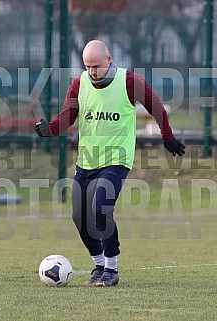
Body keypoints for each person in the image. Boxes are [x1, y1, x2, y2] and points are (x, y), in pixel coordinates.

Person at [35, 40, 185, 287]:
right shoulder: (79, 84)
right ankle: (99, 264)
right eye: (87, 66)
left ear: (109, 59)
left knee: (101, 206)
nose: (92, 72)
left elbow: (157, 107)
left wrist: (167, 137)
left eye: (96, 66)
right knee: (79, 216)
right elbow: (67, 117)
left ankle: (112, 269)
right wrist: (49, 129)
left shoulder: (129, 82)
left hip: (117, 160)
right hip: (87, 161)